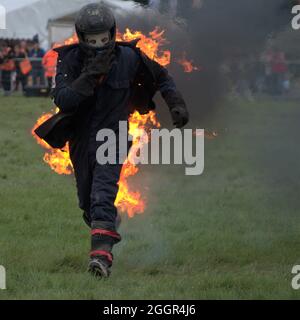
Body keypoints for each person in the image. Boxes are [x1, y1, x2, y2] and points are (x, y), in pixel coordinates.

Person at [35, 2, 189, 278]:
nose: (98, 45)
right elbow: (63, 99)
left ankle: (101, 258)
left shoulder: (129, 58)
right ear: (81, 37)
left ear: (112, 33)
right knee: (87, 202)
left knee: (102, 194)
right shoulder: (69, 60)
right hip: (80, 139)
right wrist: (90, 75)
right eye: (92, 40)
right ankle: (105, 224)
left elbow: (162, 76)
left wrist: (175, 103)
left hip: (113, 137)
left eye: (104, 39)